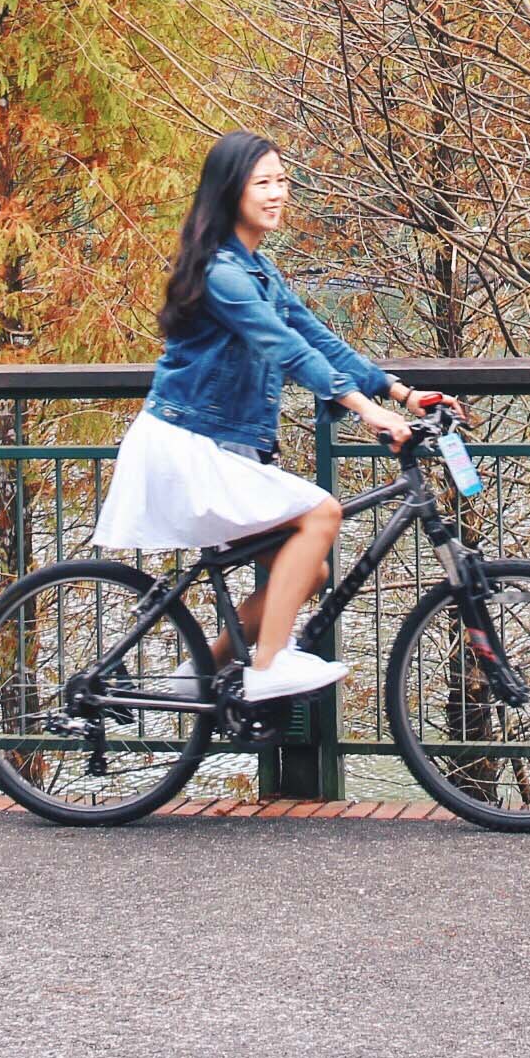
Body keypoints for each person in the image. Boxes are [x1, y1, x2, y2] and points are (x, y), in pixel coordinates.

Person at [91, 131, 455, 701]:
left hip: (218, 445)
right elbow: (284, 348)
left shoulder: (259, 270)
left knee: (308, 569)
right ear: (229, 191)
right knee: (321, 514)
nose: (277, 193)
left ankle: (203, 673)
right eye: (263, 182)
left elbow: (317, 338)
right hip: (186, 446)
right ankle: (267, 667)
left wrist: (401, 393)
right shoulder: (222, 274)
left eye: (282, 181)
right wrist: (366, 411)